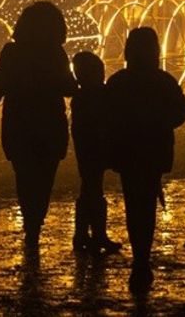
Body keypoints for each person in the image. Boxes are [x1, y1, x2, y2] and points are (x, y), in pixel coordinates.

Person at [0, 1, 77, 248]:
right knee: (44, 177)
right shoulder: (55, 53)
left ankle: (31, 223)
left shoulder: (12, 52)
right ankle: (35, 220)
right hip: (49, 124)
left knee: (24, 175)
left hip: (19, 124)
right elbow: (68, 87)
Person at [101, 27, 185, 294]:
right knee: (147, 203)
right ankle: (143, 257)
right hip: (154, 150)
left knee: (133, 203)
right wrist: (159, 124)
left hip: (128, 152)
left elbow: (107, 115)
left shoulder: (118, 82)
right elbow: (180, 111)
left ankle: (139, 255)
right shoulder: (162, 80)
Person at [70, 51, 121, 254]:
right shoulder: (97, 95)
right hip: (95, 147)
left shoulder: (80, 97)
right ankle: (95, 235)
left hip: (87, 148)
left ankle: (83, 234)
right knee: (93, 189)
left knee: (89, 187)